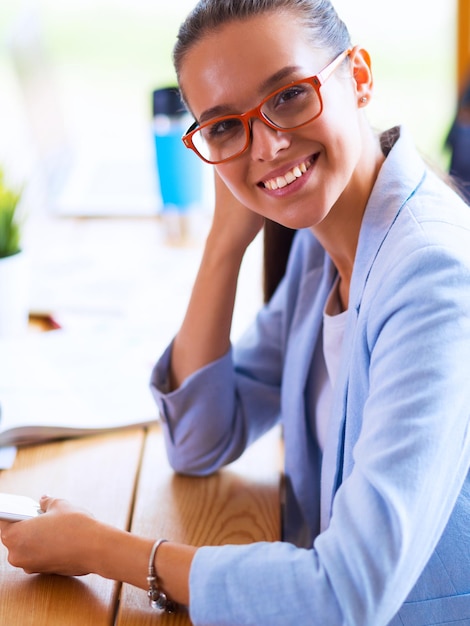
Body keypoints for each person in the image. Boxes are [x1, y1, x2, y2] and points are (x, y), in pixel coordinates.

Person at [2, 1, 470, 624]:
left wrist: (99, 547)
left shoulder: (433, 274)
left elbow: (346, 594)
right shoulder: (326, 237)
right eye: (224, 127)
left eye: (290, 95)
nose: (268, 145)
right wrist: (225, 243)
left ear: (358, 77)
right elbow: (201, 438)